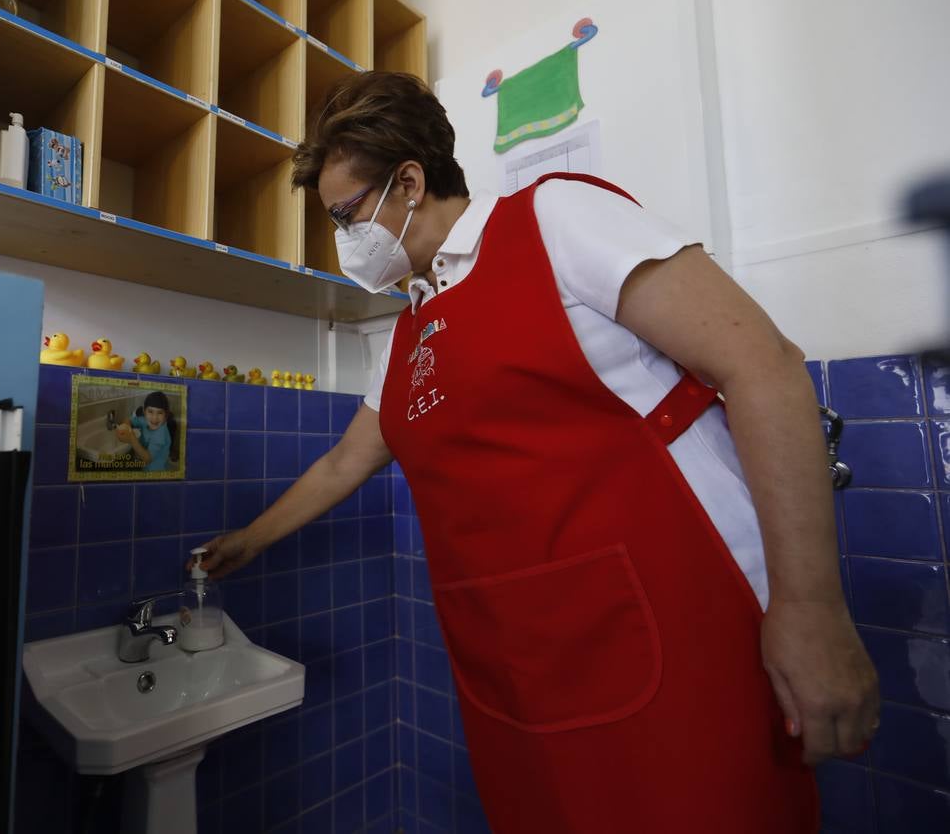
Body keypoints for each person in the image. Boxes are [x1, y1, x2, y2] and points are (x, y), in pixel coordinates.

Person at [191, 72, 878, 833]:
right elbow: (343, 463)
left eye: (346, 215)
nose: (344, 240)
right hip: (515, 677)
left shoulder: (555, 219)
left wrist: (811, 608)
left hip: (668, 647)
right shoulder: (410, 330)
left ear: (410, 182)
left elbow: (764, 365)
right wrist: (248, 541)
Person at [117, 391, 174, 472]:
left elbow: (147, 459)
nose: (154, 418)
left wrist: (132, 439)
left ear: (165, 416)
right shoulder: (144, 420)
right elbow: (128, 420)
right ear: (144, 412)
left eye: (160, 413)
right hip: (146, 468)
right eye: (150, 411)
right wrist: (126, 427)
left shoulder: (161, 434)